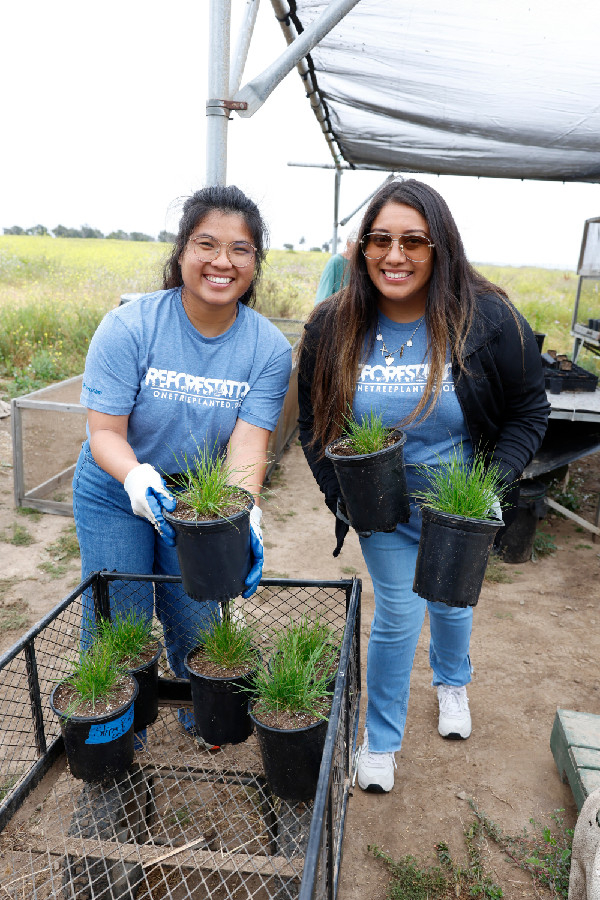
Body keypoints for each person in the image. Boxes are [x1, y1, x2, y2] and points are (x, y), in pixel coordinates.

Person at [298, 178, 549, 793]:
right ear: (361, 248)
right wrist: (340, 494)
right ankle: (380, 740)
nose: (395, 255)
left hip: (458, 503)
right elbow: (313, 420)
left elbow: (529, 411)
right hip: (382, 507)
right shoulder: (335, 324)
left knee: (452, 601)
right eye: (380, 240)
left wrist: (491, 486)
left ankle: (452, 680)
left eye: (414, 241)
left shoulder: (486, 319)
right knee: (399, 613)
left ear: (440, 248)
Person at [73, 184, 292, 741]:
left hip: (200, 498)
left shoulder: (267, 348)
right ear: (182, 253)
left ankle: (201, 715)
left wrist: (246, 511)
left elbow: (247, 445)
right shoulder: (131, 326)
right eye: (207, 244)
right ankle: (116, 734)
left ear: (255, 262)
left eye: (240, 249)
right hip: (116, 485)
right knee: (118, 616)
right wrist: (137, 477)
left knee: (197, 615)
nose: (222, 261)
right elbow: (104, 433)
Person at [314, 233, 356, 304]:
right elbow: (323, 296)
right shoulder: (335, 261)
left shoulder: (363, 263)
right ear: (348, 244)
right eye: (357, 242)